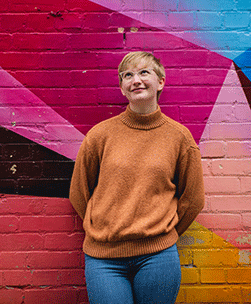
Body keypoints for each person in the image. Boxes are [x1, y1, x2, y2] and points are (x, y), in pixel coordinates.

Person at [69, 51, 205, 304]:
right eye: (127, 75)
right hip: (103, 258)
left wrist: (162, 232)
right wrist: (102, 225)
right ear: (122, 88)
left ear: (160, 82)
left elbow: (193, 198)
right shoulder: (100, 135)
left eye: (144, 72)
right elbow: (79, 193)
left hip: (158, 256)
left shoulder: (179, 137)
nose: (136, 80)